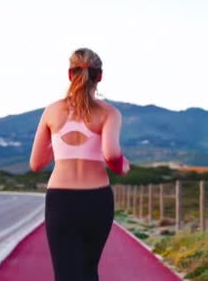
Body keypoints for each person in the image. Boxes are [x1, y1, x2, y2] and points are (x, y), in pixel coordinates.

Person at [30, 47, 130, 281]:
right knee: (88, 270)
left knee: (65, 273)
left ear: (69, 74)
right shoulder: (109, 113)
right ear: (100, 76)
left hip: (60, 199)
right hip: (97, 199)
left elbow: (36, 163)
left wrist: (61, 145)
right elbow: (111, 153)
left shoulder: (52, 111)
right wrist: (123, 167)